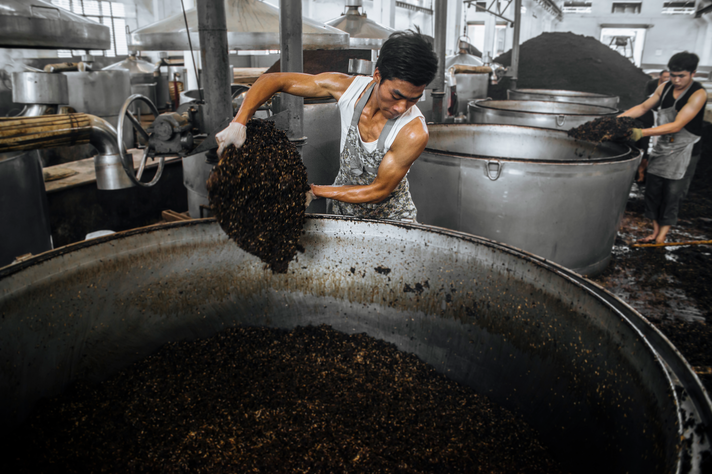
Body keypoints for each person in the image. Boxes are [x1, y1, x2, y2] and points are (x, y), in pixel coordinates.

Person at [215, 31, 439, 222]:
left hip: (392, 220)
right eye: (396, 95)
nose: (402, 107)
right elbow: (274, 80)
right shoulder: (348, 89)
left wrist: (314, 191)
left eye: (413, 99)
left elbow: (378, 190)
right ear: (378, 75)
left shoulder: (413, 131)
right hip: (345, 213)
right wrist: (239, 123)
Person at [620, 52, 707, 244]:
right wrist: (615, 121)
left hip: (685, 149)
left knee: (672, 193)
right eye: (673, 75)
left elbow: (677, 125)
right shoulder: (664, 88)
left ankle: (661, 236)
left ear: (693, 73)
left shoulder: (698, 94)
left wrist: (641, 133)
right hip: (663, 145)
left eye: (681, 76)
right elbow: (643, 107)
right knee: (653, 190)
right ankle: (654, 232)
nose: (676, 80)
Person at [636, 69, 670, 182]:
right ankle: (641, 172)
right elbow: (644, 105)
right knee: (644, 147)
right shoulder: (652, 86)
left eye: (668, 77)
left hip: (659, 128)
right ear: (660, 77)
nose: (667, 79)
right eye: (665, 77)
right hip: (647, 123)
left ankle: (646, 173)